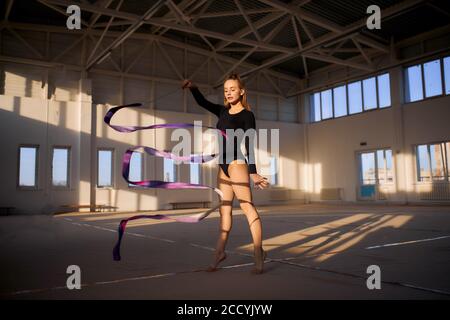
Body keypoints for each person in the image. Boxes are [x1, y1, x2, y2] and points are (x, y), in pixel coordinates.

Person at [182, 74, 270, 274]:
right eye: (226, 90)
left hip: (236, 163)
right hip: (221, 165)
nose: (229, 93)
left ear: (241, 91)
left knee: (247, 207)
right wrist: (193, 87)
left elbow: (249, 145)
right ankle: (219, 253)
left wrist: (253, 173)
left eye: (233, 89)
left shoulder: (248, 115)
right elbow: (203, 102)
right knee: (225, 211)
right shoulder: (222, 111)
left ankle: (258, 252)